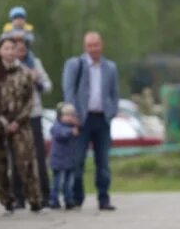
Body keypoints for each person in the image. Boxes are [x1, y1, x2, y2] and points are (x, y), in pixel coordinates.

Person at [0, 34, 43, 213]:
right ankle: (7, 200)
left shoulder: (24, 73)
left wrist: (17, 121)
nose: (10, 52)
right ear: (0, 51)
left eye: (13, 49)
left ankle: (34, 198)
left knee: (26, 162)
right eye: (6, 49)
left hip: (20, 124)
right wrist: (1, 120)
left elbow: (29, 101)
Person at [62, 31, 119, 210]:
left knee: (103, 162)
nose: (93, 49)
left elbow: (114, 93)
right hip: (81, 120)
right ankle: (77, 197)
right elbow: (68, 90)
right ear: (85, 47)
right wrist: (72, 115)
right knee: (77, 160)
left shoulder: (110, 67)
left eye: (96, 45)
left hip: (102, 119)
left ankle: (104, 198)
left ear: (102, 45)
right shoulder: (75, 65)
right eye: (90, 45)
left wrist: (112, 111)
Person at [10, 30, 52, 205]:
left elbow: (48, 86)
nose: (20, 51)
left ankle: (45, 194)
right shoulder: (8, 67)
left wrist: (38, 81)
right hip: (17, 116)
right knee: (17, 156)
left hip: (34, 113)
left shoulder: (36, 63)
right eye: (16, 48)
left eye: (23, 48)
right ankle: (19, 196)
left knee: (39, 156)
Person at [48, 102, 80, 209]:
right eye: (66, 115)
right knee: (57, 181)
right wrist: (70, 131)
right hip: (59, 159)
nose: (69, 118)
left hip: (70, 159)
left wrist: (76, 125)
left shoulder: (73, 127)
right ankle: (54, 200)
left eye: (71, 115)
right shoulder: (57, 126)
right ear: (60, 116)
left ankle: (68, 200)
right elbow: (60, 134)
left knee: (68, 182)